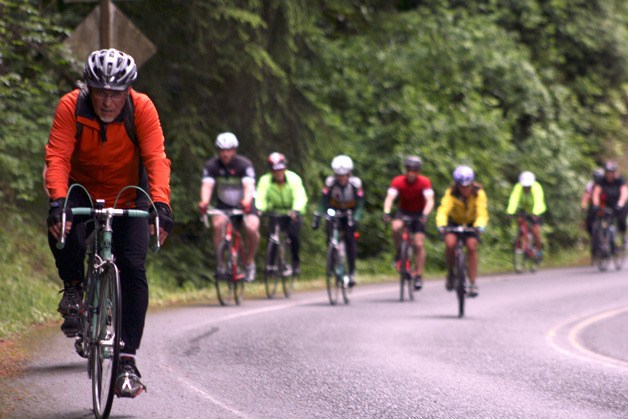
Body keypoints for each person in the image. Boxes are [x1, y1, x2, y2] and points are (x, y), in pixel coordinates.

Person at [45, 48, 173, 398]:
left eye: (115, 94)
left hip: (129, 192)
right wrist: (58, 202)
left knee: (133, 267)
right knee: (63, 227)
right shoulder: (71, 106)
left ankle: (127, 362)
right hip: (80, 187)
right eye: (100, 92)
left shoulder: (141, 108)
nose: (107, 102)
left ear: (127, 91)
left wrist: (160, 205)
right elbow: (57, 157)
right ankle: (73, 285)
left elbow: (156, 158)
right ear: (88, 88)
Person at [198, 132, 260, 282]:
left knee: (251, 228)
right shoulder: (212, 165)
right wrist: (204, 201)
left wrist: (246, 201)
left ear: (235, 150)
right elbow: (207, 186)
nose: (225, 154)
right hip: (224, 204)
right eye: (222, 150)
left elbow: (249, 186)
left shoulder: (244, 164)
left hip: (245, 202)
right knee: (218, 224)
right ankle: (221, 264)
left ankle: (250, 262)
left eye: (229, 150)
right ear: (218, 151)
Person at [382, 156, 434, 290]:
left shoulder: (424, 182)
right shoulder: (398, 181)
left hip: (419, 213)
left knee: (418, 243)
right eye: (409, 170)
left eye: (414, 170)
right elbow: (390, 197)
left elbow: (429, 200)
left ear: (418, 171)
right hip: (403, 211)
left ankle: (419, 276)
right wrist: (386, 211)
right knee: (395, 227)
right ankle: (400, 252)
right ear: (406, 170)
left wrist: (425, 214)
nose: (411, 173)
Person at [312, 155, 364, 287]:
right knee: (330, 236)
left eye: (344, 175)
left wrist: (356, 217)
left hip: (349, 212)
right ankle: (332, 261)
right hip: (334, 211)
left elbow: (360, 204)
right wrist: (317, 216)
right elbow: (323, 202)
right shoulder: (330, 183)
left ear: (349, 174)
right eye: (338, 175)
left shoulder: (355, 184)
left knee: (350, 239)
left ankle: (351, 271)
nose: (341, 178)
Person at [435, 165, 488, 297]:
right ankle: (451, 273)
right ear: (457, 184)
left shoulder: (479, 193)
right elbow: (443, 210)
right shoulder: (451, 193)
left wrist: (480, 225)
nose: (465, 189)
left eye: (467, 186)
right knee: (450, 244)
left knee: (471, 246)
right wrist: (441, 224)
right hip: (454, 222)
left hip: (472, 223)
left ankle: (473, 283)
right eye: (462, 186)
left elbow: (482, 212)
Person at [256, 152, 308, 275]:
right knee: (273, 237)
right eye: (274, 170)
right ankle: (271, 265)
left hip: (292, 212)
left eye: (280, 169)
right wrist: (259, 209)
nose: (278, 173)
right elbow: (260, 196)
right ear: (271, 170)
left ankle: (295, 263)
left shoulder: (294, 179)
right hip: (276, 212)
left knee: (293, 236)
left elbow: (300, 196)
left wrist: (296, 209)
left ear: (285, 168)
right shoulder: (265, 180)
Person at [506, 171, 547, 261]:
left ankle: (539, 251)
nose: (526, 188)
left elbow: (538, 201)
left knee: (535, 231)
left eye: (528, 186)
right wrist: (510, 212)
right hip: (524, 209)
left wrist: (535, 214)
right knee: (520, 221)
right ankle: (523, 241)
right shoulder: (518, 187)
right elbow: (514, 200)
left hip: (537, 210)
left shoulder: (536, 187)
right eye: (524, 186)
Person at [591, 161, 628, 246]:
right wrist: (595, 204)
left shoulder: (619, 179)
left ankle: (623, 236)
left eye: (612, 172)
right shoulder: (601, 180)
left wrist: (620, 203)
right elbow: (596, 193)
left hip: (619, 203)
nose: (610, 174)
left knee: (621, 220)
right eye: (608, 172)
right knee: (603, 219)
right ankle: (604, 240)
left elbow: (624, 192)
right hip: (607, 204)